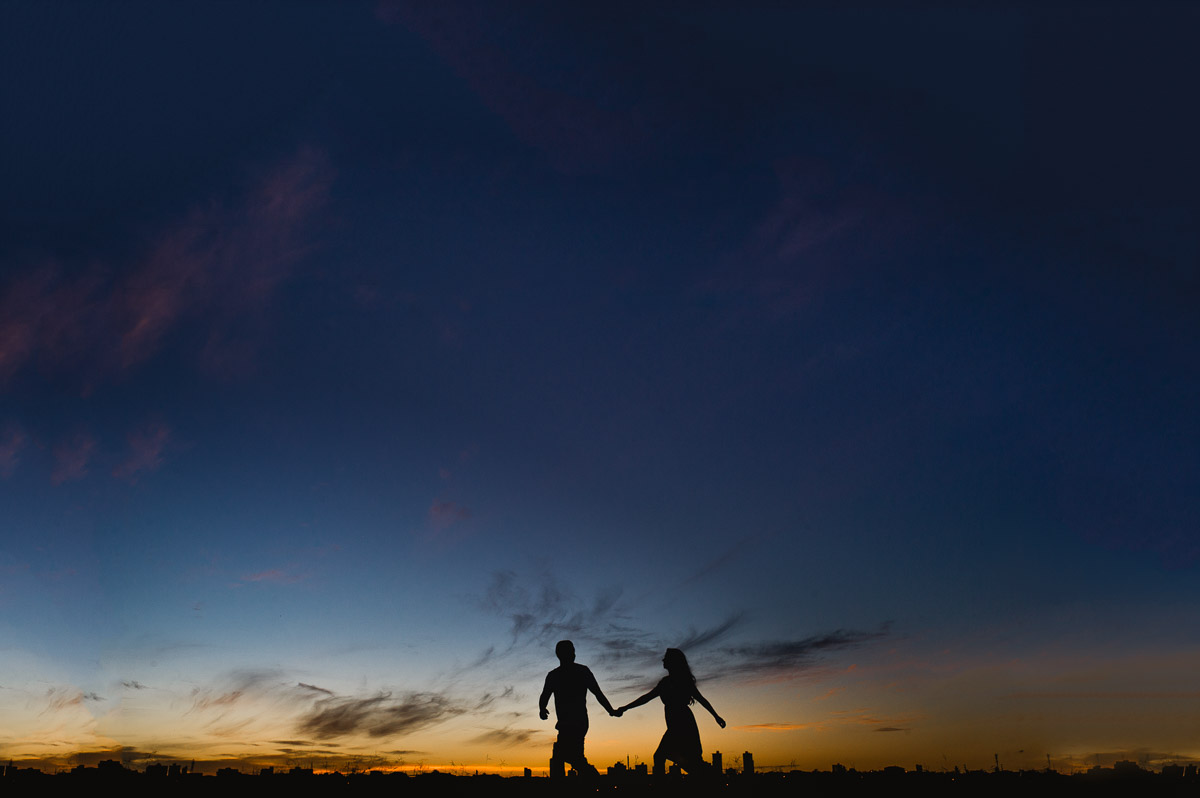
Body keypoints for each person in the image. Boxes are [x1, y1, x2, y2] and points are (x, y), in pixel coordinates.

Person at [615, 648, 725, 775]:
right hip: (675, 725)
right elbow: (646, 698)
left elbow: (701, 699)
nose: (663, 660)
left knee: (664, 757)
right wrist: (625, 707)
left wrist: (716, 716)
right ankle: (710, 777)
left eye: (666, 658)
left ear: (673, 661)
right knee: (688, 761)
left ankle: (709, 778)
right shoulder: (665, 683)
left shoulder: (682, 681)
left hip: (682, 723)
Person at [539, 640, 617, 777]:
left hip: (577, 722)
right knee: (568, 757)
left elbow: (597, 693)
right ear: (561, 654)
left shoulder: (580, 672)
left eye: (573, 651)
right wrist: (542, 708)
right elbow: (545, 695)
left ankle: (594, 779)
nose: (574, 654)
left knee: (568, 757)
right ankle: (590, 779)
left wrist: (610, 710)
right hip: (567, 723)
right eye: (571, 651)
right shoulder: (556, 675)